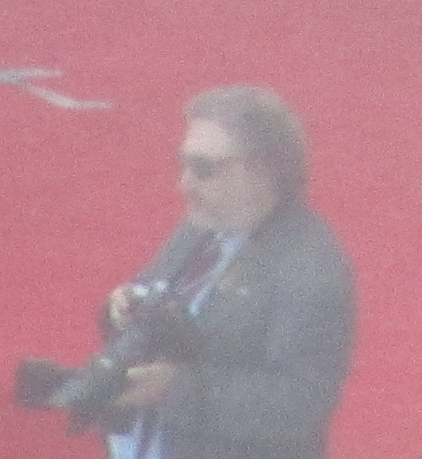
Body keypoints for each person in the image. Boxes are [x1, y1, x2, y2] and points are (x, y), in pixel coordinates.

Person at [100, 86, 353, 459]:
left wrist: (175, 390)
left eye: (204, 169)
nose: (184, 183)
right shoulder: (205, 226)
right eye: (182, 163)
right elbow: (150, 298)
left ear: (262, 170)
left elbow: (298, 406)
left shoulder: (311, 270)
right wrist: (122, 309)